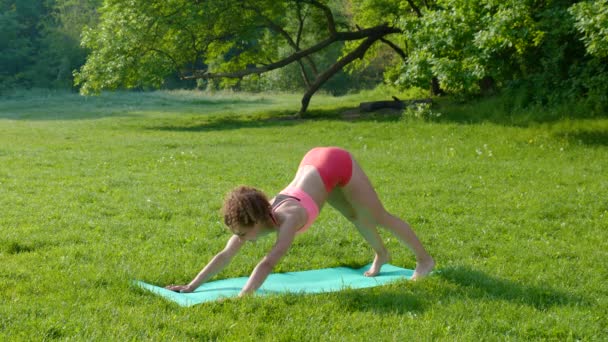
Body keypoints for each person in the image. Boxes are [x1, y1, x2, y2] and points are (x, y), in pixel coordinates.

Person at [166, 147, 434, 296]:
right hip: (314, 167)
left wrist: (244, 296)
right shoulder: (255, 218)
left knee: (376, 216)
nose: (241, 238)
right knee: (355, 216)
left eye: (243, 233)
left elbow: (269, 262)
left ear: (257, 222)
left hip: (334, 162)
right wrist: (191, 286)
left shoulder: (288, 219)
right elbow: (225, 255)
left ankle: (425, 260)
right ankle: (382, 254)